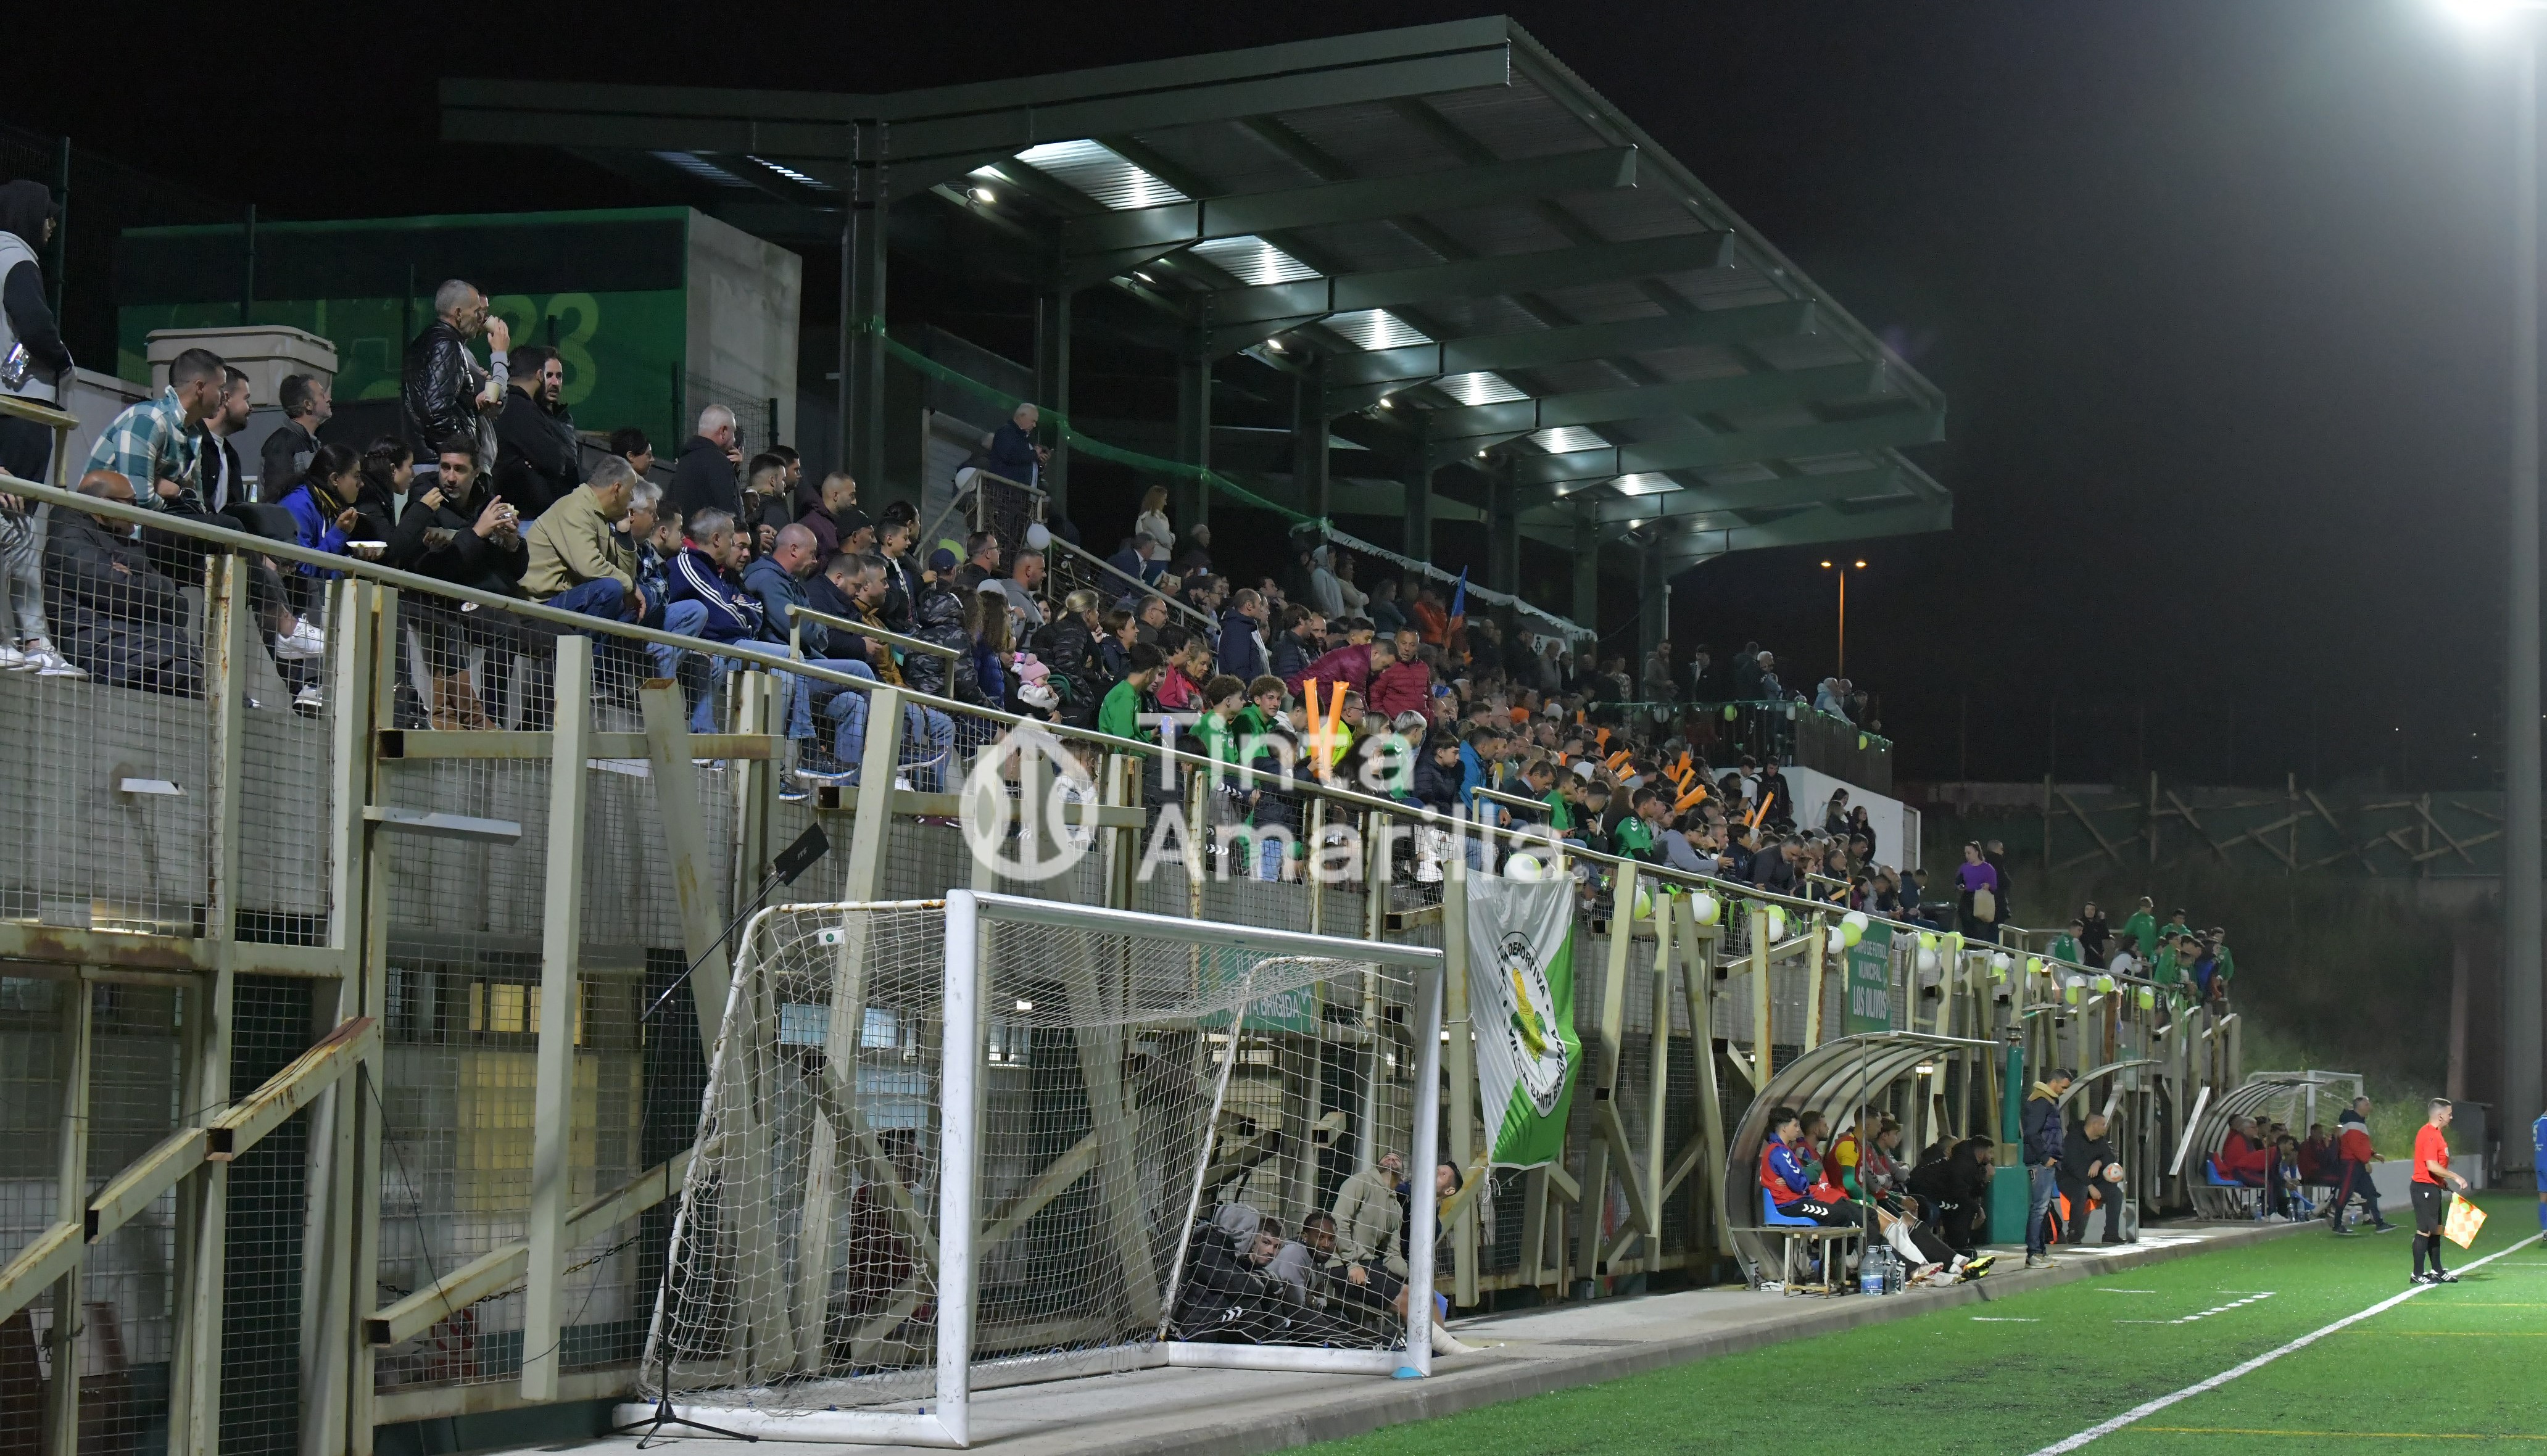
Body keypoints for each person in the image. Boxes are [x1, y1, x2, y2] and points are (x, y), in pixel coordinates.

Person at [41, 471, 199, 695]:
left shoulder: (122, 546)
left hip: (146, 653)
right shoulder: (68, 539)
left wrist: (143, 582)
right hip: (112, 658)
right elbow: (119, 589)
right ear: (104, 504)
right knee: (198, 682)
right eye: (131, 503)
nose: (137, 511)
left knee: (211, 683)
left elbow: (179, 609)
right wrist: (152, 586)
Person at [520, 456, 649, 623]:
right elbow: (590, 566)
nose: (632, 499)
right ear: (617, 489)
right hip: (541, 604)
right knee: (611, 589)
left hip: (568, 597)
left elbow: (625, 576)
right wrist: (630, 586)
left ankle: (599, 641)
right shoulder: (576, 507)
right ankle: (585, 641)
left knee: (641, 595)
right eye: (631, 491)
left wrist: (624, 533)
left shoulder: (599, 514)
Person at [401, 279, 509, 477]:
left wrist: (472, 406)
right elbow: (437, 411)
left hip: (432, 461)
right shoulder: (447, 344)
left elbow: (436, 401)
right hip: (443, 465)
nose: (481, 319)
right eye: (477, 312)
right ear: (458, 313)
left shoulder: (429, 340)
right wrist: (464, 454)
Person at [492, 344, 578, 519]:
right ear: (539, 375)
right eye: (549, 375)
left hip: (552, 512)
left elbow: (565, 464)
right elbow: (555, 461)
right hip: (526, 516)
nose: (555, 383)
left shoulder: (563, 419)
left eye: (559, 376)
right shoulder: (521, 409)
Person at [2410, 1098, 2470, 1285]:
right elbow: (2432, 1165)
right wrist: (2456, 1177)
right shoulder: (2429, 1134)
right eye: (2450, 1114)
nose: (2451, 1117)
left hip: (2432, 1187)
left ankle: (2437, 1270)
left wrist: (2441, 1182)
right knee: (2424, 1231)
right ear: (2440, 1115)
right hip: (2424, 1188)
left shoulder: (2436, 1134)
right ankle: (2417, 1274)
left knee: (2436, 1230)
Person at [2021, 1067, 2072, 1267]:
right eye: (2063, 1087)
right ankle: (2034, 1254)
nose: (2063, 1091)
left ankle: (2040, 1252)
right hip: (2041, 1162)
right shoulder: (2042, 1102)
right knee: (2039, 1208)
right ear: (2054, 1082)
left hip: (2044, 1161)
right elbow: (2031, 1133)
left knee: (2042, 1209)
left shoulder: (2045, 1100)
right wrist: (2045, 1158)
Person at [668, 404, 743, 530]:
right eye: (733, 432)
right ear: (723, 431)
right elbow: (729, 512)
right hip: (709, 539)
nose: (734, 439)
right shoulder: (718, 461)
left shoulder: (684, 461)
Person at [2327, 1098, 2395, 1235]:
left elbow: (2359, 1144)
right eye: (2367, 1104)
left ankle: (2379, 1223)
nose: (2370, 1106)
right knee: (2346, 1193)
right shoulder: (2354, 1123)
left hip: (2355, 1162)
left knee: (2370, 1192)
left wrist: (2373, 1154)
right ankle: (2338, 1225)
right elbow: (2355, 1146)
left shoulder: (2355, 1121)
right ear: (2360, 1107)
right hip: (2352, 1163)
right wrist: (2366, 1161)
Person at [2060, 1111, 2129, 1245]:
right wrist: (2090, 1186)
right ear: (2094, 1125)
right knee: (2081, 1191)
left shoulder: (2099, 1140)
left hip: (2093, 1180)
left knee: (2115, 1194)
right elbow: (2073, 1167)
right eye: (2103, 1125)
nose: (2105, 1128)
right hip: (2070, 1179)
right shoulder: (2073, 1139)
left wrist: (2099, 1162)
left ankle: (2111, 1234)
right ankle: (2074, 1234)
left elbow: (2110, 1156)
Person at [261, 373, 331, 503]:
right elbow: (278, 500)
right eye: (322, 394)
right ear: (308, 404)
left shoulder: (314, 444)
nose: (329, 399)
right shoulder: (281, 444)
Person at [986, 401, 1049, 487]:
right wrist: (1035, 454)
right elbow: (1012, 456)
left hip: (1020, 492)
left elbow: (1024, 463)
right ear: (1022, 416)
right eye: (1033, 421)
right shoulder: (1006, 432)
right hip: (1005, 490)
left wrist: (1039, 463)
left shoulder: (1024, 439)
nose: (1034, 425)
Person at [1955, 841, 2002, 941]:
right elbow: (1958, 882)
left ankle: (1978, 944)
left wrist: (1988, 886)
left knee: (1979, 928)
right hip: (1967, 897)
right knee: (1966, 923)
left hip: (1981, 898)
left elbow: (1994, 886)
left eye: (1969, 853)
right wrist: (1960, 886)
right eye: (1966, 853)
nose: (1967, 856)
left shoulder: (1988, 868)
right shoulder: (1964, 867)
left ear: (1977, 853)